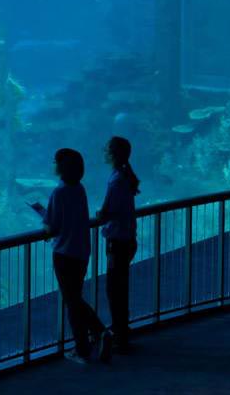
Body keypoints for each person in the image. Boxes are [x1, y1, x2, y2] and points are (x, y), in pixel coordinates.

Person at [34, 148, 112, 364]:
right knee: (74, 298)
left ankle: (85, 346)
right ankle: (96, 336)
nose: (53, 164)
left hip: (64, 253)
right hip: (81, 251)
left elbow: (52, 228)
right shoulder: (79, 188)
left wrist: (43, 220)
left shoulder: (59, 192)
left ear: (61, 166)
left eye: (55, 161)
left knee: (72, 301)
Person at [97, 136, 140, 353]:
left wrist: (99, 215)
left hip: (118, 241)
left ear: (112, 154)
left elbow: (107, 212)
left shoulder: (116, 180)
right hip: (127, 239)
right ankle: (121, 329)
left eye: (106, 148)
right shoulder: (124, 176)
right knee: (119, 287)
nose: (103, 151)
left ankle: (119, 335)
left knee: (114, 289)